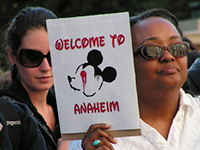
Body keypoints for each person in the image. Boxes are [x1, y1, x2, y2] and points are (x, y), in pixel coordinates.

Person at [68, 8, 200, 150]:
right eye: (151, 50)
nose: (168, 56)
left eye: (177, 47)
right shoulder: (95, 137)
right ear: (127, 63)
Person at [0, 7, 69, 150]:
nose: (46, 67)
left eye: (54, 55)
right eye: (32, 57)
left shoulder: (71, 112)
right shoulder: (6, 116)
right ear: (12, 56)